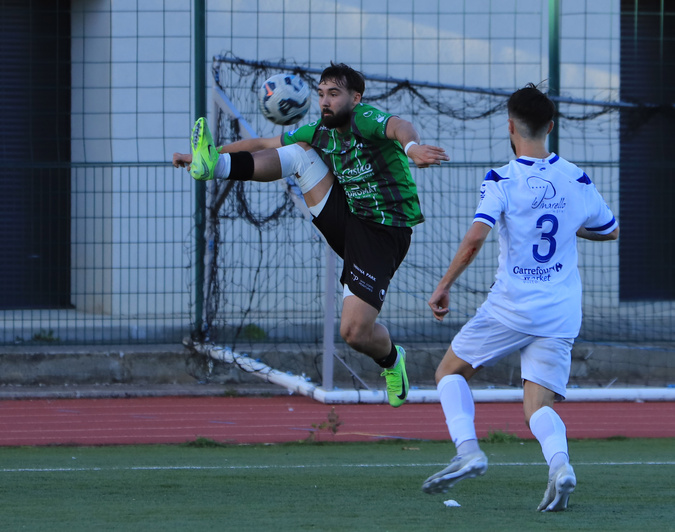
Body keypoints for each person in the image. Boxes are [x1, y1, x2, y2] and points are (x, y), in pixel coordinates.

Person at [173, 62, 449, 408]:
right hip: (347, 219)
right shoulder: (320, 131)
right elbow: (262, 142)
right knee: (298, 154)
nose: (325, 101)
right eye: (321, 94)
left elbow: (399, 126)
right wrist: (210, 156)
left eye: (334, 94)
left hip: (384, 233)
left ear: (355, 97)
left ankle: (393, 360)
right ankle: (214, 167)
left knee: (354, 333)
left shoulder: (364, 119)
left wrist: (412, 149)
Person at [421, 83, 619, 511]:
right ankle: (560, 466)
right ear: (550, 126)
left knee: (449, 372)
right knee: (537, 406)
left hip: (512, 306)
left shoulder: (502, 178)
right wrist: (569, 227)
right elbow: (610, 229)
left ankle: (469, 449)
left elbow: (475, 239)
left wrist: (444, 285)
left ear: (510, 126)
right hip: (562, 311)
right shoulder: (577, 177)